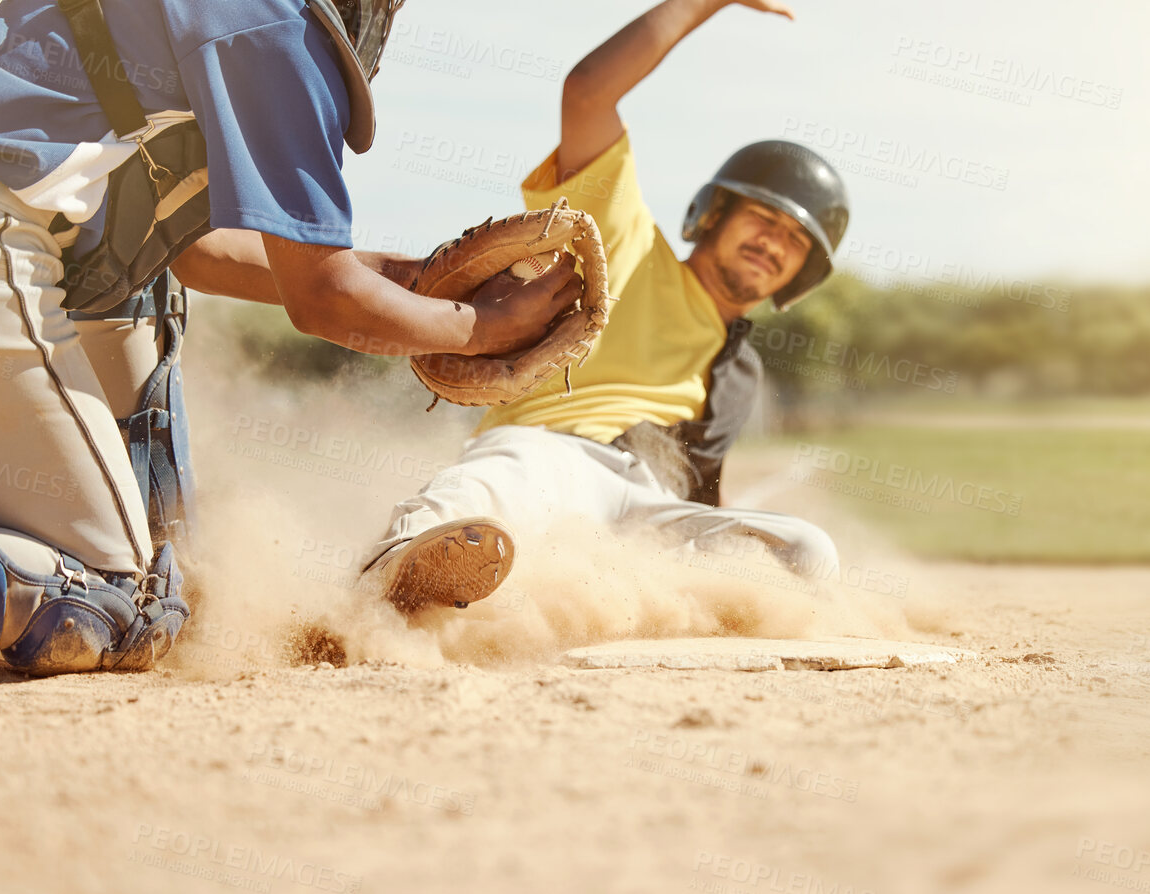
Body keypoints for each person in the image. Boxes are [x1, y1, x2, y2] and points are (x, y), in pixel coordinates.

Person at [0, 0, 575, 673]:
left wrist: (414, 281)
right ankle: (99, 572)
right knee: (114, 603)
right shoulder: (277, 27)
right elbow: (323, 299)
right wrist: (477, 330)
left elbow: (201, 252)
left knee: (178, 584)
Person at [361, 0, 853, 614]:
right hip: (557, 454)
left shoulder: (740, 372)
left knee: (806, 551)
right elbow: (588, 94)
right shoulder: (627, 244)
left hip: (646, 513)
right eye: (764, 219)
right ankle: (391, 578)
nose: (772, 243)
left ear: (801, 272)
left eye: (795, 240)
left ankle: (623, 608)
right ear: (714, 214)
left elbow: (701, 500)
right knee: (505, 479)